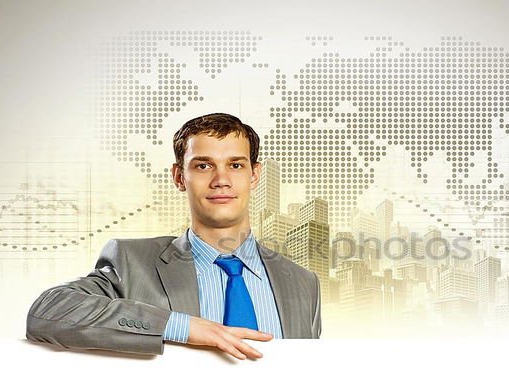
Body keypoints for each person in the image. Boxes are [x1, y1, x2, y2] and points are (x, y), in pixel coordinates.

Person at [26, 113, 322, 360]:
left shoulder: (302, 282)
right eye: (203, 165)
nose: (221, 180)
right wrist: (179, 326)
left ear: (254, 175)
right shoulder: (132, 263)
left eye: (236, 165)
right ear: (179, 177)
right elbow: (48, 312)